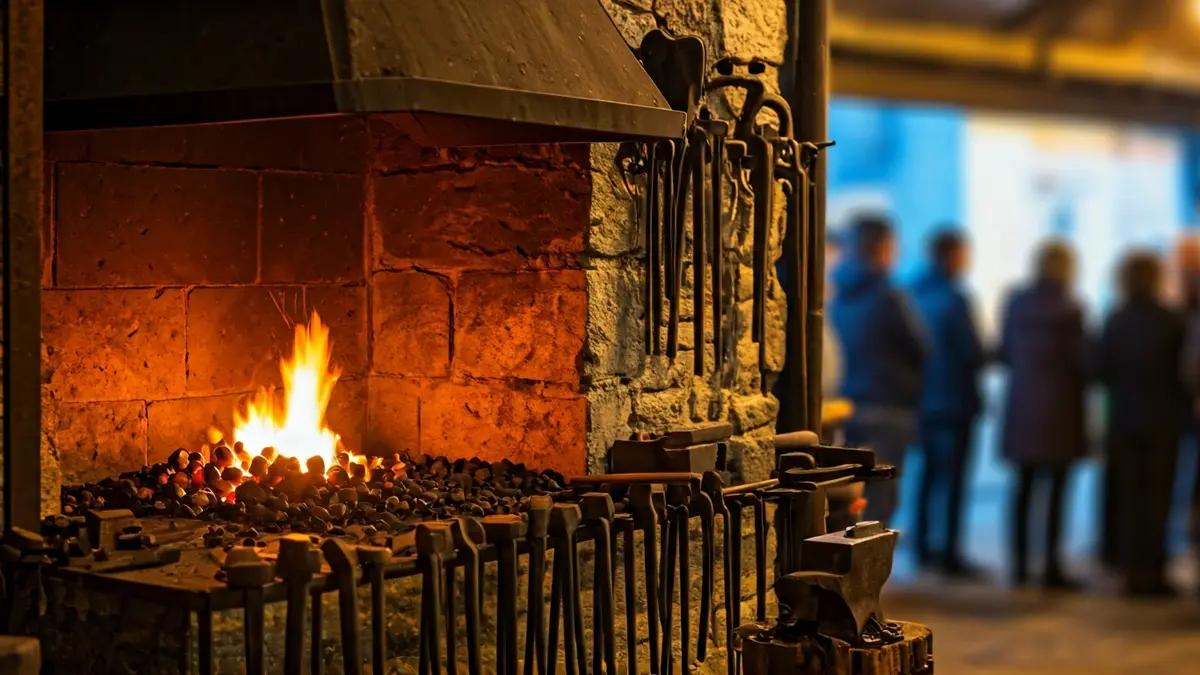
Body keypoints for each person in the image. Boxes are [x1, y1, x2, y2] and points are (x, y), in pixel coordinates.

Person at [998, 240, 1087, 589]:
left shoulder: (1016, 302)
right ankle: (1051, 566)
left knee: (1022, 488)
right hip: (1061, 410)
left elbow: (1004, 352)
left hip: (1022, 407)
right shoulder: (1071, 308)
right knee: (1056, 492)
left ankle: (1019, 567)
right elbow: (1083, 361)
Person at [1097, 251, 1185, 596]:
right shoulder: (1171, 319)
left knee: (1130, 497)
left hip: (1125, 420)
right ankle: (1155, 570)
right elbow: (1182, 371)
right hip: (1163, 418)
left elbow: (1102, 368)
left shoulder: (1116, 318)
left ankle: (1131, 570)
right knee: (1158, 497)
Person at [831, 214, 927, 527]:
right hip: (888, 407)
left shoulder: (838, 294)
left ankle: (850, 564)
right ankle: (870, 570)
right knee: (881, 500)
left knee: (852, 497)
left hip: (847, 407)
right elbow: (921, 347)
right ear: (883, 248)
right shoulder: (890, 296)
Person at [910, 228, 986, 576]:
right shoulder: (955, 299)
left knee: (926, 478)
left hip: (924, 399)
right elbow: (971, 351)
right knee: (953, 480)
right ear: (951, 255)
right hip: (954, 400)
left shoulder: (913, 292)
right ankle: (950, 553)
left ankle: (925, 548)